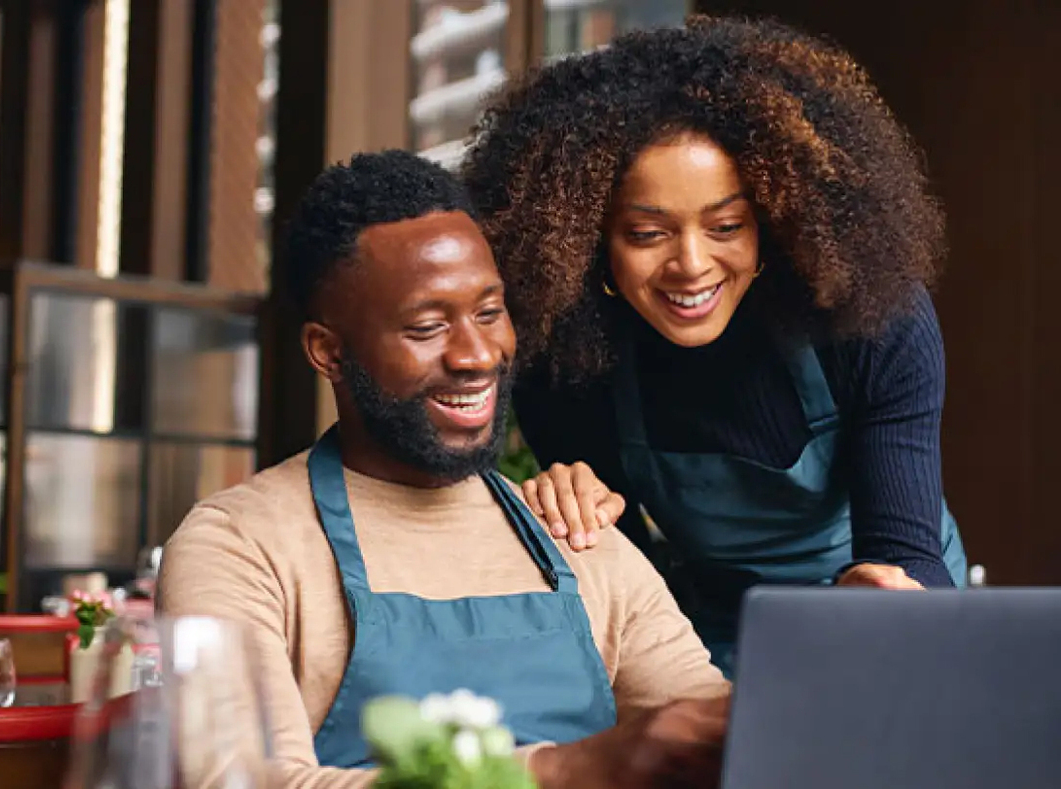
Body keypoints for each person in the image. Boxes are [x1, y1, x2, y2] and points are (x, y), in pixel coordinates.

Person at [158, 150, 730, 789]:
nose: (478, 355)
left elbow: (714, 740)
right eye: (428, 326)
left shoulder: (575, 534)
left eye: (489, 312)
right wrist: (560, 770)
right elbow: (239, 780)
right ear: (328, 351)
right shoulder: (239, 546)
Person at [460, 16, 967, 677]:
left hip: (888, 612)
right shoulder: (565, 359)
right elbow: (629, 586)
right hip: (714, 631)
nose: (692, 265)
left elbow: (909, 552)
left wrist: (883, 597)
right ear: (588, 244)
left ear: (774, 221)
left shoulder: (871, 318)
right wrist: (572, 513)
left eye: (726, 225)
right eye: (647, 233)